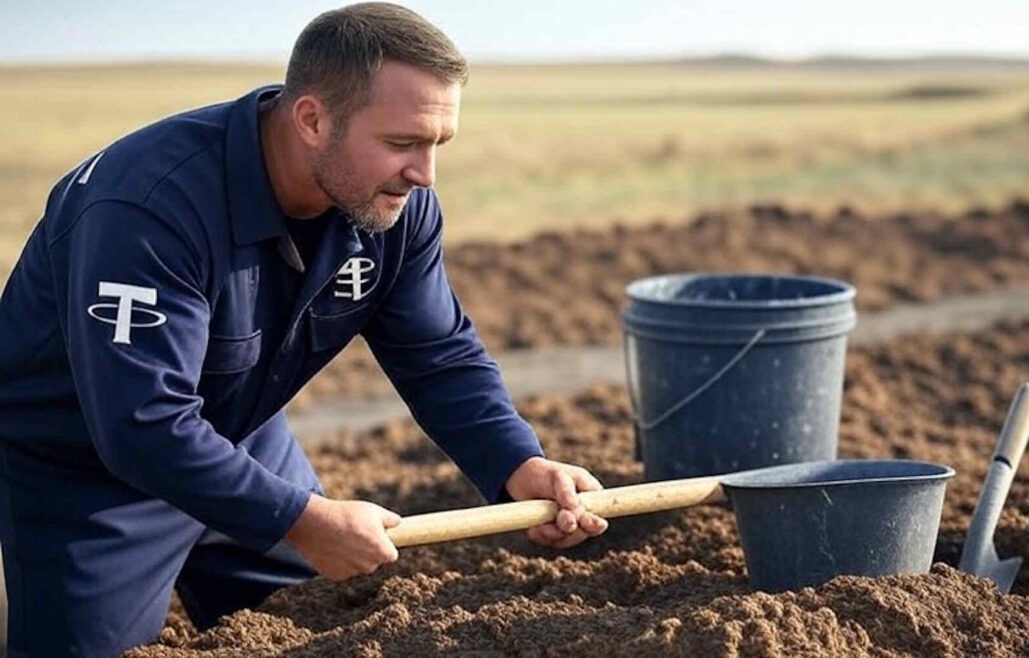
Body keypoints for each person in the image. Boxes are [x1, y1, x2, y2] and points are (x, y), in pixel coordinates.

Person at [0, 3, 609, 655]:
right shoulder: (149, 208)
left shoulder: (393, 207)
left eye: (438, 145)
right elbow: (140, 422)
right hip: (90, 473)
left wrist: (517, 460)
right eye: (403, 143)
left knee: (329, 628)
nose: (425, 174)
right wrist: (300, 520)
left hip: (243, 441)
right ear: (313, 119)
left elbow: (438, 356)